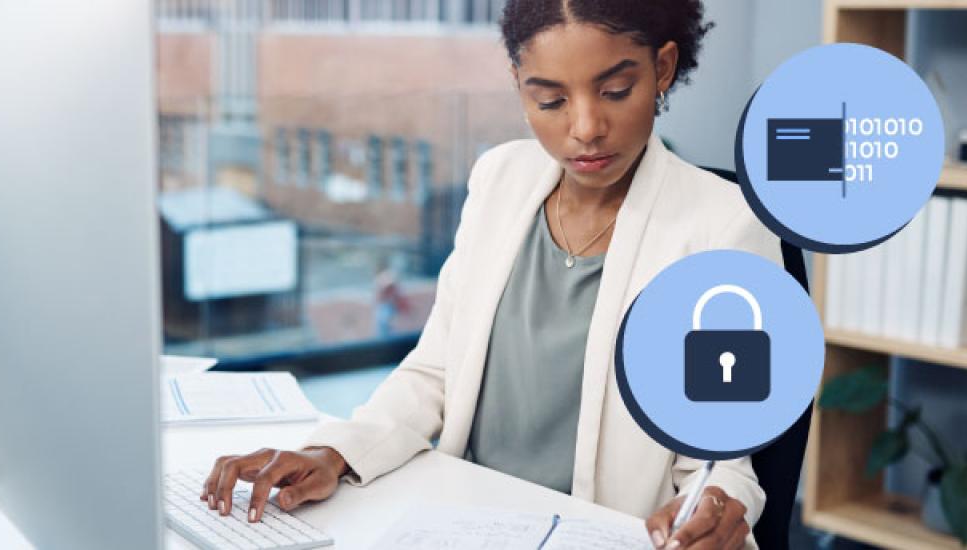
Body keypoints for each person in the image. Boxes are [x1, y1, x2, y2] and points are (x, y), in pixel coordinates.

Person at [202, 1, 781, 548]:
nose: (585, 128)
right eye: (550, 101)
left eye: (614, 91)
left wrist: (717, 509)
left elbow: (722, 463)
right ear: (518, 87)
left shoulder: (723, 226)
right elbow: (434, 371)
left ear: (663, 68)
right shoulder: (498, 179)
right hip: (464, 523)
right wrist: (334, 452)